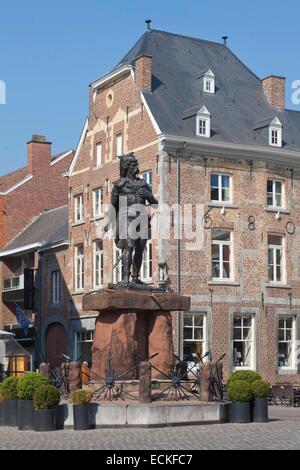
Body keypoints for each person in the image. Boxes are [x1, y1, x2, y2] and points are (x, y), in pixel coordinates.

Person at [106, 153, 158, 285]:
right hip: (127, 218)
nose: (136, 167)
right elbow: (113, 205)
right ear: (126, 167)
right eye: (133, 165)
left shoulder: (143, 184)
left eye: (136, 164)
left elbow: (155, 204)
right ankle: (125, 277)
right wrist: (110, 221)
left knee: (140, 249)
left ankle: (135, 277)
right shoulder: (119, 185)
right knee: (129, 246)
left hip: (143, 219)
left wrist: (149, 195)